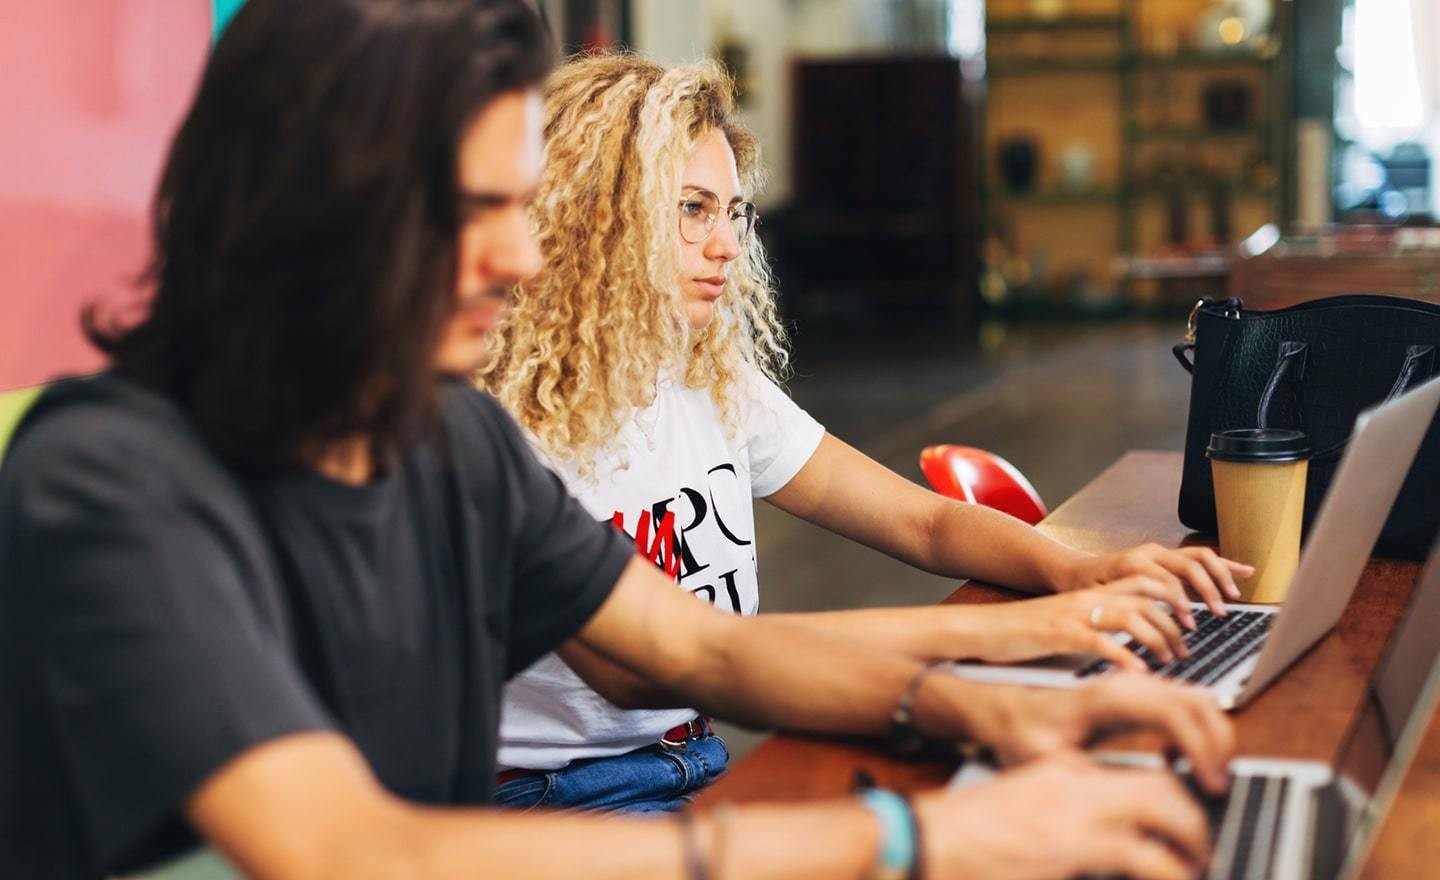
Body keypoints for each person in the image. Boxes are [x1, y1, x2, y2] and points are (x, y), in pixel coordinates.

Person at [0, 3, 1232, 879]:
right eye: (479, 208)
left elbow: (700, 649)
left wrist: (994, 708)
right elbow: (343, 851)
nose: (526, 254)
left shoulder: (445, 442)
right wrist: (913, 843)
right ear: (313, 202)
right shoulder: (110, 480)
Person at [480, 52, 1251, 812]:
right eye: (691, 208)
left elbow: (921, 520)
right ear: (591, 211)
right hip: (553, 796)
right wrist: (1003, 636)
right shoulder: (506, 424)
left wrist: (1077, 572)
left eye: (733, 212)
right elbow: (665, 666)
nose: (725, 246)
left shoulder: (704, 379)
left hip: (692, 761)